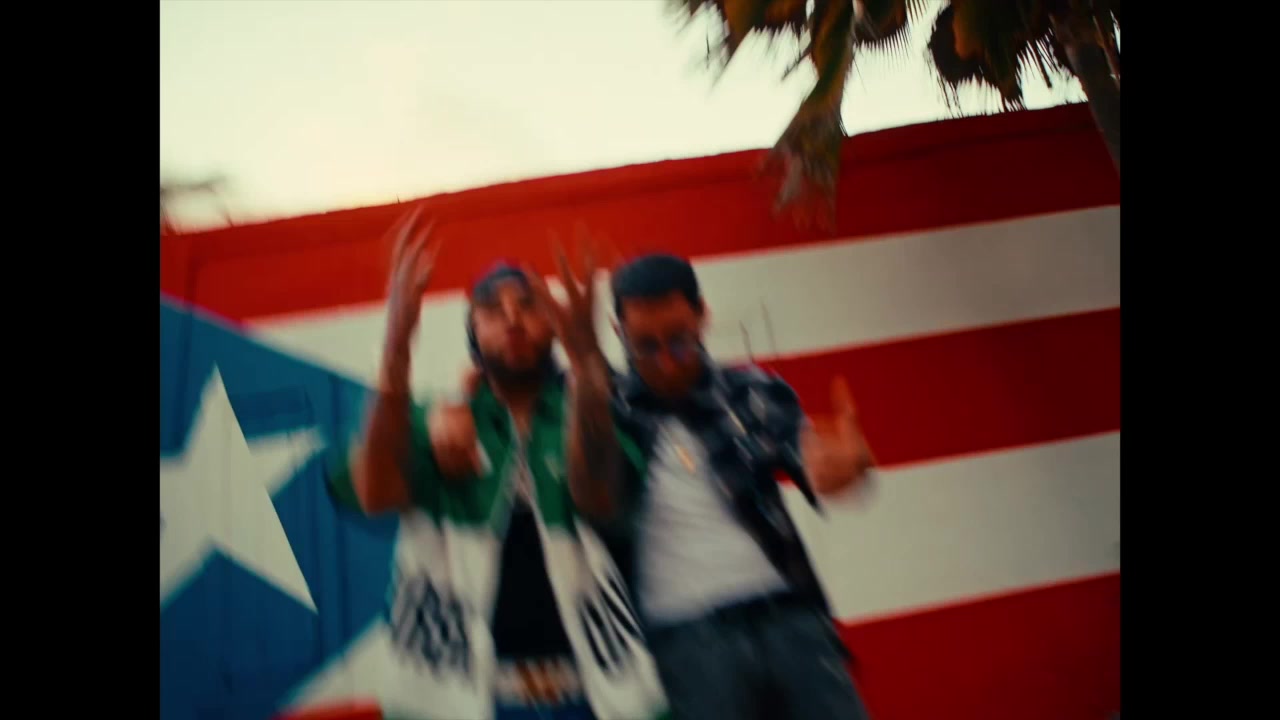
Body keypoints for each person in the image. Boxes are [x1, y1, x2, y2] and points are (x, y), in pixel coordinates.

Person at [326, 207, 666, 720]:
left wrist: (586, 363)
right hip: (459, 701)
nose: (511, 317)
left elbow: (600, 496)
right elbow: (374, 495)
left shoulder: (588, 412)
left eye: (528, 304)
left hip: (595, 695)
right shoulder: (428, 419)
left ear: (553, 325)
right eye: (491, 308)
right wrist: (396, 343)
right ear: (473, 334)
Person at [563, 253, 877, 720]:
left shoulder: (750, 391)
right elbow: (591, 493)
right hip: (685, 642)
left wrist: (848, 468)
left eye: (679, 342)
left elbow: (813, 456)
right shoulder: (604, 406)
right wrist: (584, 366)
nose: (666, 362)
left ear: (702, 316)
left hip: (790, 619)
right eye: (645, 346)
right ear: (618, 332)